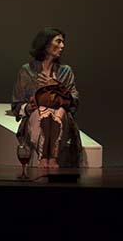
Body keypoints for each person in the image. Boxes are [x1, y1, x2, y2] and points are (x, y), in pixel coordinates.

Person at [11, 27, 83, 169]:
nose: (62, 46)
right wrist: (29, 107)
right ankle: (44, 157)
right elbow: (16, 104)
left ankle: (52, 156)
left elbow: (74, 101)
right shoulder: (27, 71)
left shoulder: (65, 71)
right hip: (36, 117)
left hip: (60, 118)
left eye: (63, 42)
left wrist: (57, 86)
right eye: (58, 41)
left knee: (59, 112)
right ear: (45, 44)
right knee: (43, 111)